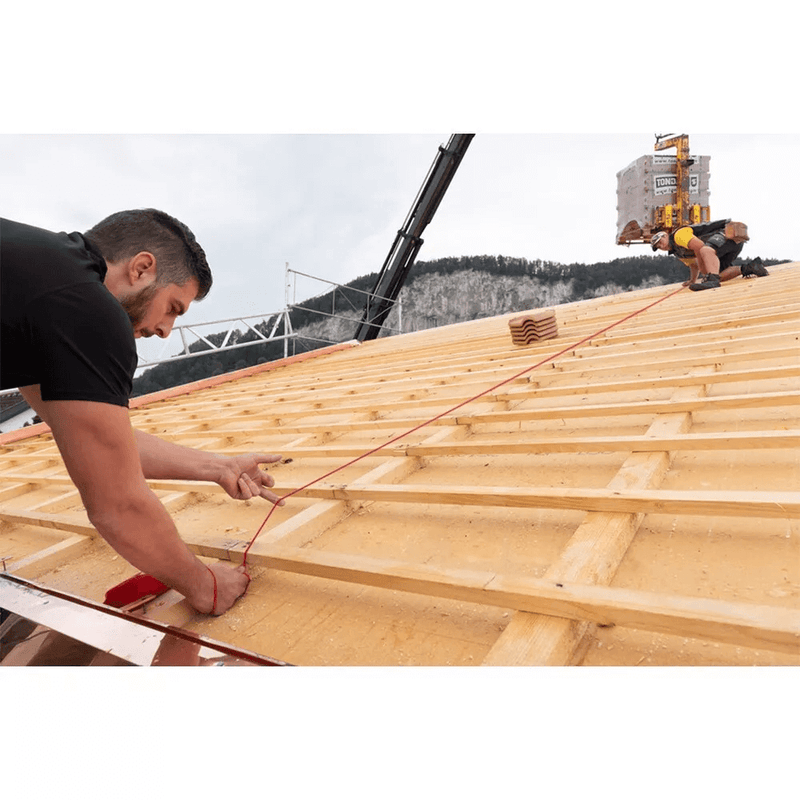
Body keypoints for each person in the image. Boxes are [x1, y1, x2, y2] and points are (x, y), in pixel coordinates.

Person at [0, 210, 285, 616]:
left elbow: (101, 441)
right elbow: (117, 505)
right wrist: (205, 586)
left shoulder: (44, 285)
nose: (166, 330)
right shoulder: (89, 309)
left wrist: (217, 467)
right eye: (173, 307)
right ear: (142, 268)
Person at [650, 221, 769, 291]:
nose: (661, 246)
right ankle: (751, 268)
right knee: (718, 274)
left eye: (660, 242)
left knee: (705, 252)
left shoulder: (678, 236)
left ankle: (712, 280)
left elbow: (699, 246)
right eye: (658, 247)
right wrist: (692, 280)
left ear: (666, 235)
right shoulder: (677, 252)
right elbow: (693, 265)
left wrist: (705, 274)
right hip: (727, 246)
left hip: (728, 234)